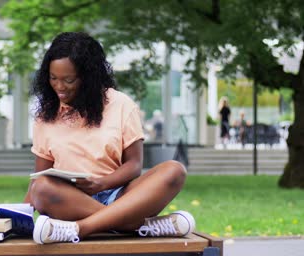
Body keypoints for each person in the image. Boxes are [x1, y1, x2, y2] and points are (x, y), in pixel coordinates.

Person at [25, 32, 195, 244]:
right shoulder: (46, 116)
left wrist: (102, 184)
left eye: (69, 80)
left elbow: (134, 164)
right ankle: (139, 226)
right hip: (72, 200)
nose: (59, 86)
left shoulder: (122, 105)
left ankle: (81, 228)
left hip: (120, 195)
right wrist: (18, 217)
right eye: (53, 78)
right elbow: (40, 176)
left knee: (174, 170)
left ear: (88, 77)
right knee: (41, 187)